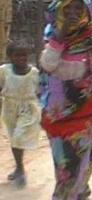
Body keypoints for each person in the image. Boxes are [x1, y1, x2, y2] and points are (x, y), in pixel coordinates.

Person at [39, 0, 92, 199]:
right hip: (57, 115)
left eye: (78, 8)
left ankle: (79, 191)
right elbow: (47, 66)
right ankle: (69, 192)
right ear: (59, 11)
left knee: (84, 160)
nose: (73, 13)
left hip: (87, 114)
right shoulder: (51, 35)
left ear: (87, 11)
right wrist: (60, 37)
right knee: (64, 165)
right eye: (68, 9)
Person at [0, 40, 40, 187]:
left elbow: (40, 91)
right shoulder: (5, 70)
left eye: (25, 55)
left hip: (28, 109)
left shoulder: (34, 72)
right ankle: (18, 166)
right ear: (10, 56)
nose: (22, 58)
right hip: (9, 107)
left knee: (18, 136)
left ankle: (21, 170)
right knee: (13, 138)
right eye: (18, 55)